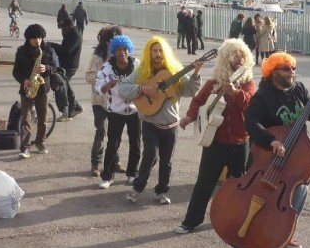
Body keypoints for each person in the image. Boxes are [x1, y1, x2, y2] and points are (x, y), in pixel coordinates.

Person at [175, 38, 256, 234]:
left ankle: (235, 222)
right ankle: (190, 222)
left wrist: (235, 92)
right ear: (225, 58)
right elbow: (197, 100)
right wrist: (189, 116)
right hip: (214, 142)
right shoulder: (213, 83)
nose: (238, 58)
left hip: (239, 143)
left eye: (241, 55)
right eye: (234, 54)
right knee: (204, 183)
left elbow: (249, 104)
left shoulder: (248, 83)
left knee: (237, 186)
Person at [244, 52, 310, 248]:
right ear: (273, 71)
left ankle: (284, 232)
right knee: (261, 195)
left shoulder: (299, 89)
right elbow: (251, 123)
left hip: (293, 155)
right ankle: (250, 227)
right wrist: (271, 140)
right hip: (267, 156)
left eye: (293, 68)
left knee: (299, 190)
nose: (291, 73)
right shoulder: (263, 96)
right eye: (286, 69)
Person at [117, 36, 202, 205]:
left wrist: (196, 73)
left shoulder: (174, 70)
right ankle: (137, 188)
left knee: (167, 162)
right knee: (149, 155)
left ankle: (162, 191)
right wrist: (142, 89)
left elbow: (189, 91)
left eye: (160, 50)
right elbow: (122, 88)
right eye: (154, 51)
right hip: (150, 122)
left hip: (171, 125)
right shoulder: (142, 71)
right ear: (150, 53)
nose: (157, 54)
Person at [95, 35, 141, 189]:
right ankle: (107, 176)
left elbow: (146, 80)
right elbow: (98, 89)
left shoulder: (136, 64)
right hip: (115, 111)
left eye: (126, 49)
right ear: (114, 51)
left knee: (136, 143)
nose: (123, 52)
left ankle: (132, 173)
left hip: (135, 110)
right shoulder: (107, 67)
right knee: (113, 144)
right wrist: (108, 85)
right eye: (120, 49)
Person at [12, 24, 59, 157]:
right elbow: (16, 71)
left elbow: (55, 67)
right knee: (26, 119)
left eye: (39, 38)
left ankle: (40, 141)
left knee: (43, 118)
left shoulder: (48, 50)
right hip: (27, 88)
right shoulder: (21, 51)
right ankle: (25, 147)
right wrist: (24, 80)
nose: (37, 41)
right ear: (28, 39)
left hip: (42, 88)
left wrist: (47, 68)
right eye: (34, 38)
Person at [85, 26, 123, 177]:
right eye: (111, 42)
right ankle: (95, 163)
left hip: (116, 101)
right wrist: (104, 78)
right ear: (105, 42)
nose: (115, 46)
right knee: (101, 132)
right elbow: (88, 77)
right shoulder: (97, 58)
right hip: (99, 101)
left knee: (115, 133)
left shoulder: (121, 59)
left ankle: (116, 161)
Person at [51, 18, 83, 121]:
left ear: (69, 26)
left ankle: (68, 112)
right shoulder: (71, 34)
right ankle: (75, 107)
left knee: (62, 87)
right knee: (66, 87)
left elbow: (66, 50)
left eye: (63, 28)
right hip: (66, 64)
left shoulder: (75, 35)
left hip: (70, 66)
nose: (62, 31)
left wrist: (53, 45)